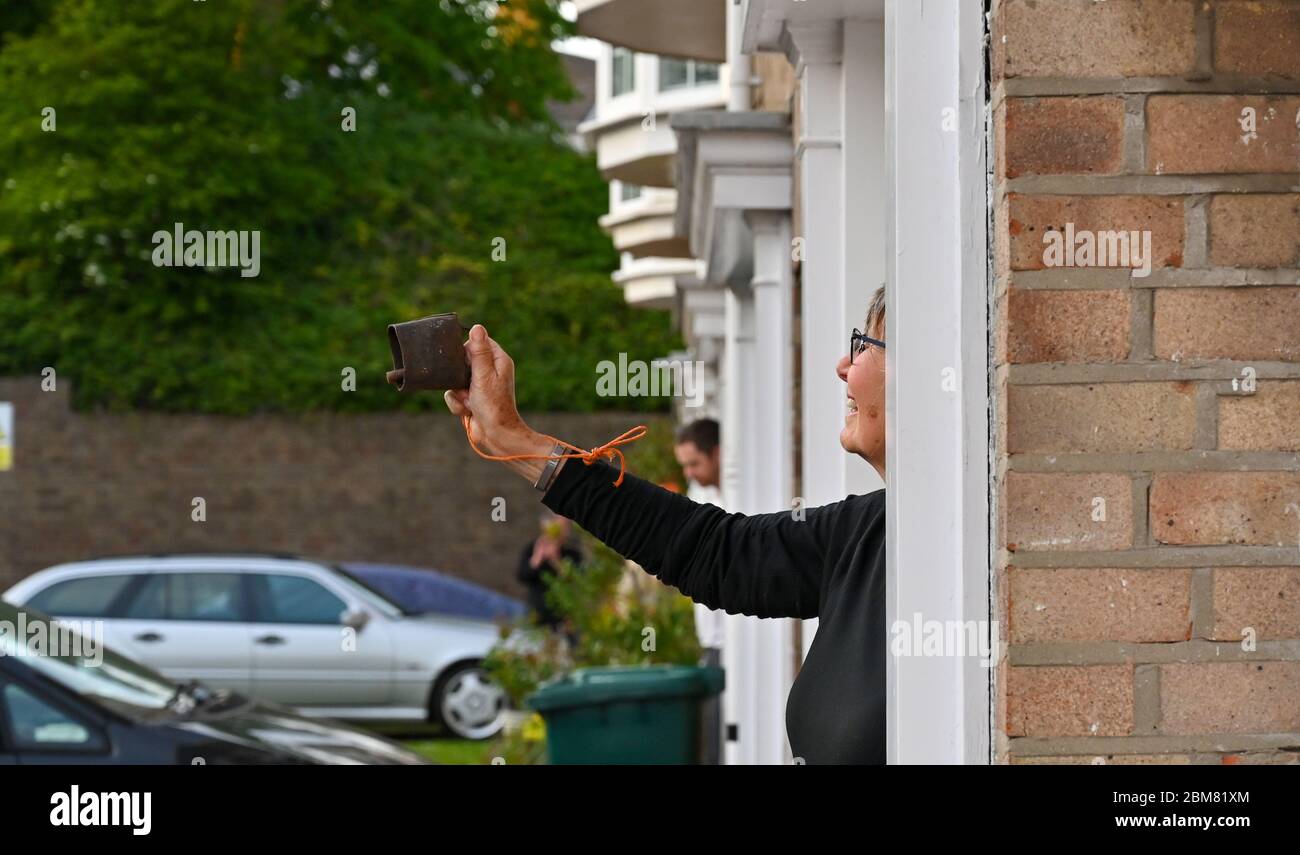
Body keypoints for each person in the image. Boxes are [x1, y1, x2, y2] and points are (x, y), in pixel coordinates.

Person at [446, 286, 887, 764]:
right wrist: (514, 439)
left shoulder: (967, 561)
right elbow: (712, 550)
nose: (845, 363)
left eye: (866, 344)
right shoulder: (865, 531)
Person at [516, 511, 582, 630]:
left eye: (567, 527)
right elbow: (522, 576)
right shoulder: (531, 549)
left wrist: (556, 560)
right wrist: (537, 559)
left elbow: (577, 581)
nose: (565, 531)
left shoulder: (573, 555)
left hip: (563, 617)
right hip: (537, 615)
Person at [673, 419, 721, 492]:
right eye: (684, 465)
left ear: (717, 454)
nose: (688, 474)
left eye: (693, 464)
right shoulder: (698, 491)